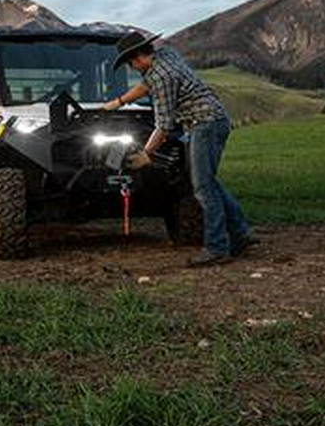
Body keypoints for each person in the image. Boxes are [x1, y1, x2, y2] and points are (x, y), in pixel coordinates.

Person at [103, 31, 255, 266]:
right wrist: (120, 101)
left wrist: (146, 154)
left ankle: (216, 248)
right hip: (213, 120)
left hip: (204, 124)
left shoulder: (162, 78)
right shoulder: (165, 54)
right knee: (207, 181)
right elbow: (146, 84)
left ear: (138, 57)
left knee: (203, 188)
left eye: (130, 62)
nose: (131, 68)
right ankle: (241, 233)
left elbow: (163, 126)